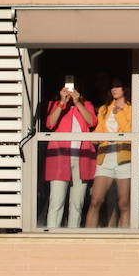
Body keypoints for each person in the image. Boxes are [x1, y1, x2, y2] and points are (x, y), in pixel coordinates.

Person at [43, 79, 98, 228]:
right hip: (59, 159)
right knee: (57, 201)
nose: (70, 89)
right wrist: (62, 102)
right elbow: (49, 123)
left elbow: (92, 122)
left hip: (82, 159)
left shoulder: (86, 105)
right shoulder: (55, 105)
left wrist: (77, 102)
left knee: (77, 203)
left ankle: (73, 235)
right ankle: (52, 236)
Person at [86, 77, 134, 228]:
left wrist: (119, 113)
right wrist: (92, 138)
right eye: (112, 87)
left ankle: (125, 239)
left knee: (124, 203)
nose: (114, 89)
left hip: (124, 158)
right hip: (105, 156)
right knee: (95, 201)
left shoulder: (131, 108)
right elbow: (100, 129)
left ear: (124, 89)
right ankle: (86, 238)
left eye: (118, 86)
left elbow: (129, 132)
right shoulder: (104, 108)